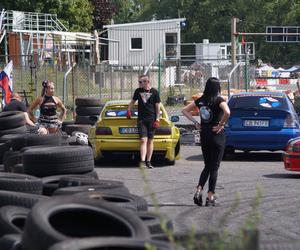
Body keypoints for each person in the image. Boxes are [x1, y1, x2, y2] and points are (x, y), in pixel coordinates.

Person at [182, 77, 230, 207]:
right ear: (217, 88)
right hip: (217, 135)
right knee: (214, 167)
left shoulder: (201, 100)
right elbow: (227, 111)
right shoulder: (219, 100)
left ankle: (198, 190)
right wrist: (221, 124)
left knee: (207, 166)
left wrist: (196, 123)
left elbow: (184, 110)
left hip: (205, 134)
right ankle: (210, 196)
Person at [127, 75, 161, 169]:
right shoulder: (138, 91)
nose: (139, 84)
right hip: (141, 120)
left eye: (140, 82)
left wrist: (157, 119)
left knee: (150, 141)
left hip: (152, 119)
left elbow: (158, 107)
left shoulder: (154, 92)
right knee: (143, 140)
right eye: (139, 82)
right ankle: (142, 161)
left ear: (146, 82)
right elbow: (132, 102)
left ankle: (148, 161)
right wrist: (129, 110)